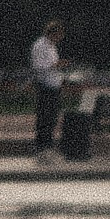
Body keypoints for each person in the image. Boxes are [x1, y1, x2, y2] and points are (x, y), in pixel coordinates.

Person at [29, 20, 66, 165]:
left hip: (54, 85)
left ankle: (48, 145)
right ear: (53, 33)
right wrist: (54, 65)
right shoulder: (40, 45)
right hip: (44, 85)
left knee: (52, 117)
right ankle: (41, 146)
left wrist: (59, 67)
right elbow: (37, 66)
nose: (59, 39)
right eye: (58, 35)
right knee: (44, 116)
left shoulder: (52, 47)